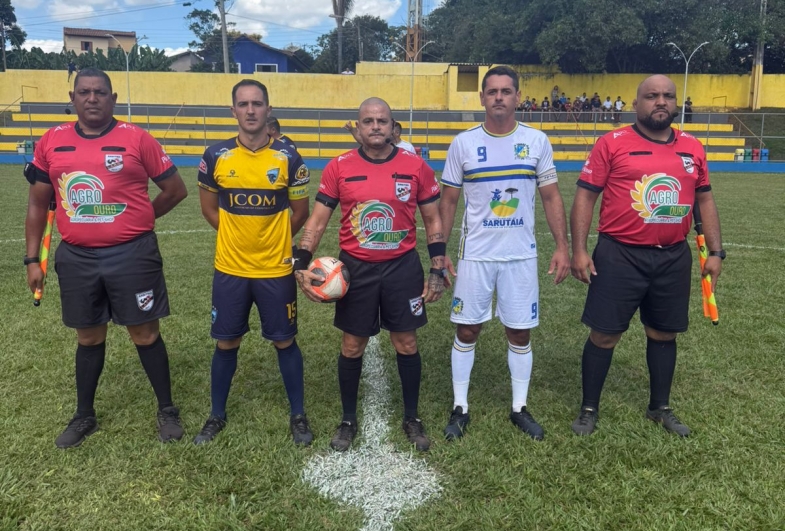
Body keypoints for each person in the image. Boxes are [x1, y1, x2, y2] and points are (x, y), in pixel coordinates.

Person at [24, 68, 188, 449]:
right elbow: (36, 203)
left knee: (144, 333)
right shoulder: (52, 140)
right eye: (85, 92)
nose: (92, 98)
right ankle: (84, 415)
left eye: (100, 92)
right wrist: (32, 259)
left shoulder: (137, 138)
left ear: (113, 98)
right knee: (88, 335)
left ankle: (166, 409)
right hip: (78, 258)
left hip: (133, 255)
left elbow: (175, 190)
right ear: (72, 97)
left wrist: (142, 218)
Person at [570, 75, 724, 437]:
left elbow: (705, 199)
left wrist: (716, 251)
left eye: (668, 96)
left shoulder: (692, 147)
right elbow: (585, 196)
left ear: (676, 103)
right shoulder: (612, 143)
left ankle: (660, 407)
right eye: (652, 96)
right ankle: (589, 408)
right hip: (620, 255)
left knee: (663, 334)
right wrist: (578, 249)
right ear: (636, 103)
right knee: (604, 335)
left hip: (672, 257)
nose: (661, 102)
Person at [295, 97, 446, 453]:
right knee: (352, 345)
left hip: (402, 267)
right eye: (368, 121)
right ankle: (348, 420)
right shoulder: (339, 167)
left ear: (393, 127)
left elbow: (433, 220)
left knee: (406, 343)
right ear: (358, 127)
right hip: (355, 270)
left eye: (382, 121)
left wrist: (438, 267)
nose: (375, 126)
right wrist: (301, 261)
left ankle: (412, 417)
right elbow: (317, 222)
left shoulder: (416, 166)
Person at [439, 65, 571, 442]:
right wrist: (441, 251)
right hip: (476, 256)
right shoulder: (463, 144)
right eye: (492, 91)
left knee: (520, 331)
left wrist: (562, 246)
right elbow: (448, 201)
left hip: (520, 256)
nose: (499, 97)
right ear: (482, 97)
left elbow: (550, 196)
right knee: (468, 327)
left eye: (506, 91)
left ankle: (519, 407)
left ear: (517, 97)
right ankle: (460, 406)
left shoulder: (536, 141)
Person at [194, 80, 313, 446]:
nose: (250, 110)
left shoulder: (289, 158)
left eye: (257, 103)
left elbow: (300, 212)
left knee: (285, 341)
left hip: (275, 270)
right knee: (226, 342)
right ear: (233, 110)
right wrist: (236, 235)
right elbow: (209, 210)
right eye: (243, 104)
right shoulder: (215, 156)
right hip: (230, 269)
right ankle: (216, 415)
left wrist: (272, 240)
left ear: (268, 109)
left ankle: (298, 414)